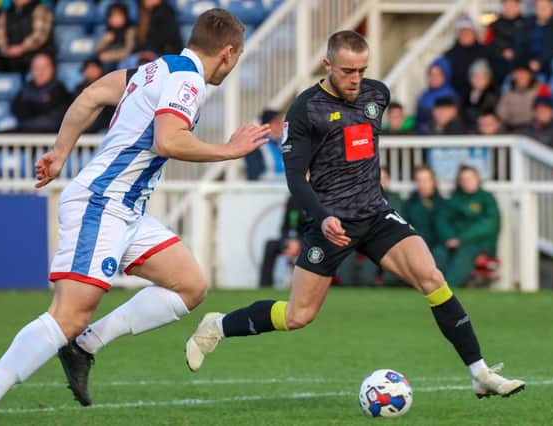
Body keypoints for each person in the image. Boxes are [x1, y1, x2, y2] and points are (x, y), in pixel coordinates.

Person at [0, 9, 270, 425]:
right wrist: (228, 150)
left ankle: (85, 346)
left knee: (189, 286)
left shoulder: (154, 69)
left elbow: (91, 95)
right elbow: (168, 140)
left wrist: (61, 152)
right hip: (102, 204)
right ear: (228, 53)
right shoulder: (188, 79)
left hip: (127, 211)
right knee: (67, 315)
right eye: (238, 56)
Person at [185, 31, 525, 402]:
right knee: (298, 316)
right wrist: (322, 216)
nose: (355, 78)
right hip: (330, 224)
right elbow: (296, 178)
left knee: (432, 278)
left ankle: (479, 372)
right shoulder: (306, 109)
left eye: (362, 70)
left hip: (376, 214)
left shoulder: (377, 94)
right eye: (347, 70)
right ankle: (216, 326)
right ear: (327, 64)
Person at [434, 165, 501, 288]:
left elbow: (487, 226)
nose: (467, 182)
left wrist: (461, 239)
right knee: (439, 253)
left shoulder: (487, 199)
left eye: (470, 178)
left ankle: (447, 288)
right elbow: (442, 221)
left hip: (478, 243)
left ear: (477, 179)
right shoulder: (454, 199)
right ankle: (431, 286)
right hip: (453, 242)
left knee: (465, 253)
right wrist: (449, 237)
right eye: (463, 179)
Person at [11, 53, 71, 133]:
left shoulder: (59, 90)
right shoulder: (25, 88)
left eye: (44, 68)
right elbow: (17, 109)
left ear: (52, 69)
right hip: (26, 134)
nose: (40, 72)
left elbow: (56, 119)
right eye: (36, 68)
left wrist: (32, 105)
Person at [258, 194, 307, 287]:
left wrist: (300, 243)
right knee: (270, 246)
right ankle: (265, 286)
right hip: (293, 240)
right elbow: (285, 227)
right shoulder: (293, 199)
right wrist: (288, 241)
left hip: (311, 241)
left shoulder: (320, 198)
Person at [443, 15, 495, 101]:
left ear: (474, 32)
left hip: (483, 96)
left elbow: (492, 76)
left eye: (468, 30)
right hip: (457, 97)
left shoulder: (486, 51)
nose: (465, 34)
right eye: (462, 31)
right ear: (457, 34)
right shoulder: (449, 55)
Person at [0, 0, 54, 73]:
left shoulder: (40, 9)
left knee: (35, 62)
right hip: (10, 53)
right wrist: (4, 49)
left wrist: (21, 48)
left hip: (34, 51)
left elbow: (39, 36)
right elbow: (0, 34)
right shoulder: (7, 12)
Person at [514, 0, 553, 78]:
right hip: (526, 63)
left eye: (545, 8)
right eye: (539, 7)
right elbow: (520, 44)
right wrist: (528, 61)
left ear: (552, 8)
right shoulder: (526, 23)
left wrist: (540, 61)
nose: (542, 10)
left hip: (547, 65)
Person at [403, 165, 445, 254]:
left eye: (426, 180)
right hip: (415, 246)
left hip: (438, 248)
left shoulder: (443, 204)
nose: (422, 184)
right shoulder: (409, 204)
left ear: (433, 181)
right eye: (419, 181)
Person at [483, 0, 525, 84]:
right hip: (498, 63)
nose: (510, 8)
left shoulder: (526, 24)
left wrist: (515, 52)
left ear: (518, 6)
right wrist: (502, 52)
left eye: (513, 5)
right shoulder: (494, 25)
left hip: (520, 63)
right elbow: (487, 45)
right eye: (507, 5)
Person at [415, 57, 459, 131]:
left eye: (438, 75)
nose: (434, 78)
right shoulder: (424, 96)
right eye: (431, 75)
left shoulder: (451, 95)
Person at [496, 60, 541, 130]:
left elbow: (543, 113)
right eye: (518, 73)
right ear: (514, 75)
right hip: (512, 129)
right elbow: (502, 114)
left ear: (530, 75)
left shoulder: (538, 91)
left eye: (524, 73)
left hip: (534, 128)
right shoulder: (508, 94)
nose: (521, 76)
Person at [244, 109, 285, 180]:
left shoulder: (282, 142)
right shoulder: (255, 146)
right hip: (265, 188)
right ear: (267, 125)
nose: (282, 126)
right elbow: (254, 176)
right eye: (278, 123)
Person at [74, 59, 114, 133]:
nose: (90, 71)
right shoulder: (78, 89)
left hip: (103, 126)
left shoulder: (108, 86)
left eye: (93, 67)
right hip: (82, 126)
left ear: (100, 69)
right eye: (88, 68)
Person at [95, 2, 136, 71]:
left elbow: (128, 51)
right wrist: (105, 40)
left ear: (125, 17)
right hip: (109, 63)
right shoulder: (108, 31)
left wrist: (109, 56)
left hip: (125, 62)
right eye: (113, 17)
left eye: (119, 16)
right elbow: (97, 49)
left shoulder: (130, 31)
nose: (116, 19)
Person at [462, 59, 499, 130]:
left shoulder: (492, 95)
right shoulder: (466, 94)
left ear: (488, 79)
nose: (478, 80)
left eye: (481, 77)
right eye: (475, 77)